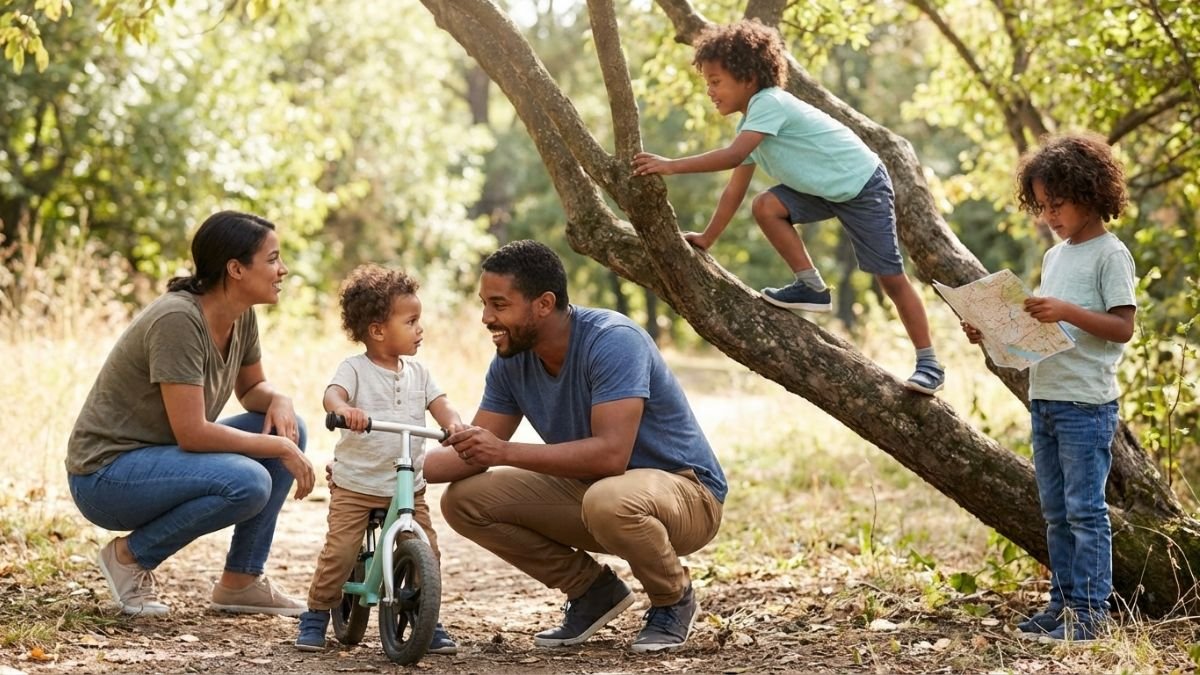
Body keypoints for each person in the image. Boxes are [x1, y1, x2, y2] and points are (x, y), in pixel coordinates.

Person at [424, 240, 727, 653]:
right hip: (599, 493)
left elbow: (611, 456)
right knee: (464, 501)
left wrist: (504, 452)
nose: (486, 318)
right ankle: (592, 591)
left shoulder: (612, 340)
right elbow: (472, 454)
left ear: (544, 304)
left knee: (609, 499)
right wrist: (389, 468)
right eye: (484, 304)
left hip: (687, 494)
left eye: (499, 304)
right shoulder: (511, 361)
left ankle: (673, 598)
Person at [631, 19, 944, 395]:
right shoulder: (752, 125)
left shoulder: (768, 103)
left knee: (890, 278)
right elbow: (734, 190)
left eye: (716, 81)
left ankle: (929, 363)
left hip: (861, 183)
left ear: (748, 78)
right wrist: (708, 238)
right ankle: (811, 287)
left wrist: (670, 165)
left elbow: (732, 157)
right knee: (766, 206)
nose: (710, 91)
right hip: (823, 189)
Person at [66, 210, 316, 617]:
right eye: (273, 259)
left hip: (161, 460)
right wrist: (279, 449)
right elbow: (193, 433)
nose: (283, 269)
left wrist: (279, 399)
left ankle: (241, 581)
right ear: (235, 269)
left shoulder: (240, 315)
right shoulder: (178, 320)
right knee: (251, 480)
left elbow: (251, 390)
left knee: (290, 430)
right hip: (105, 476)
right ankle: (129, 556)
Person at [962, 133, 1136, 642]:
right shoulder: (1056, 256)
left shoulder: (1111, 254)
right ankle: (1061, 606)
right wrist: (989, 329)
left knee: (1085, 511)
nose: (1049, 215)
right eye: (1041, 206)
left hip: (1085, 403)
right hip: (1046, 399)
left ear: (1090, 192)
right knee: (1056, 513)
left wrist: (1066, 311)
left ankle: (1090, 614)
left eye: (1057, 203)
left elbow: (1123, 327)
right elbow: (1039, 333)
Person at [295, 264, 464, 654]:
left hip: (407, 488)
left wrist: (453, 423)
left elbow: (442, 405)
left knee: (428, 550)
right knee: (340, 552)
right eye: (411, 321)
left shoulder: (420, 373)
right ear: (377, 330)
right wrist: (344, 410)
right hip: (357, 484)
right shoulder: (355, 369)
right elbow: (333, 395)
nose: (420, 329)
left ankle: (425, 615)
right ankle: (317, 613)